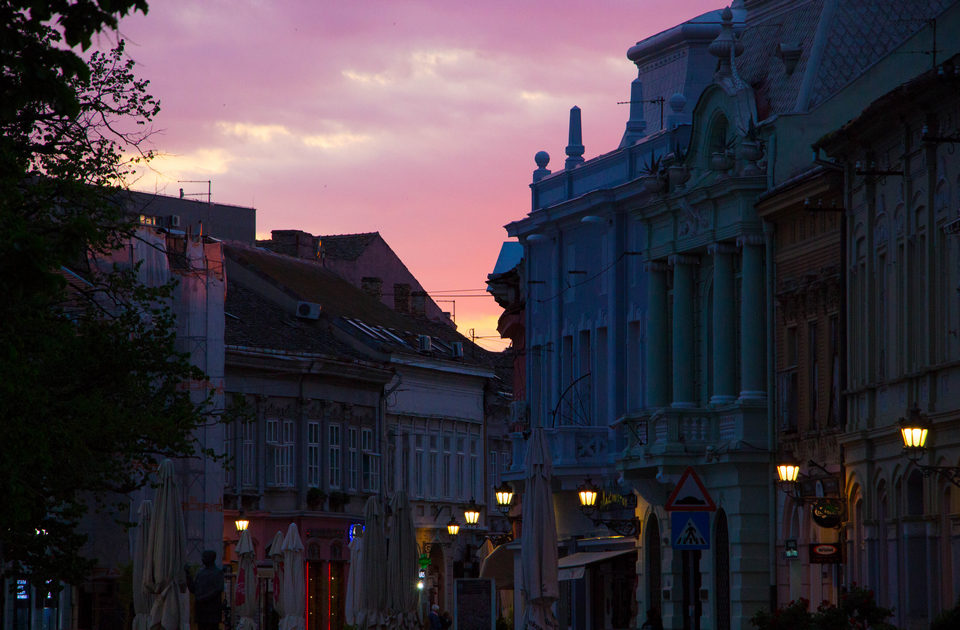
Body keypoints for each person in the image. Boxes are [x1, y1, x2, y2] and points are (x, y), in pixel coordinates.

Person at [186, 550, 225, 630]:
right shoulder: (200, 573)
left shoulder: (218, 573)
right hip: (201, 612)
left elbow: (218, 589)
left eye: (204, 557)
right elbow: (193, 589)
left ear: (211, 559)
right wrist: (188, 575)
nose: (202, 559)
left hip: (212, 612)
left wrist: (203, 598)